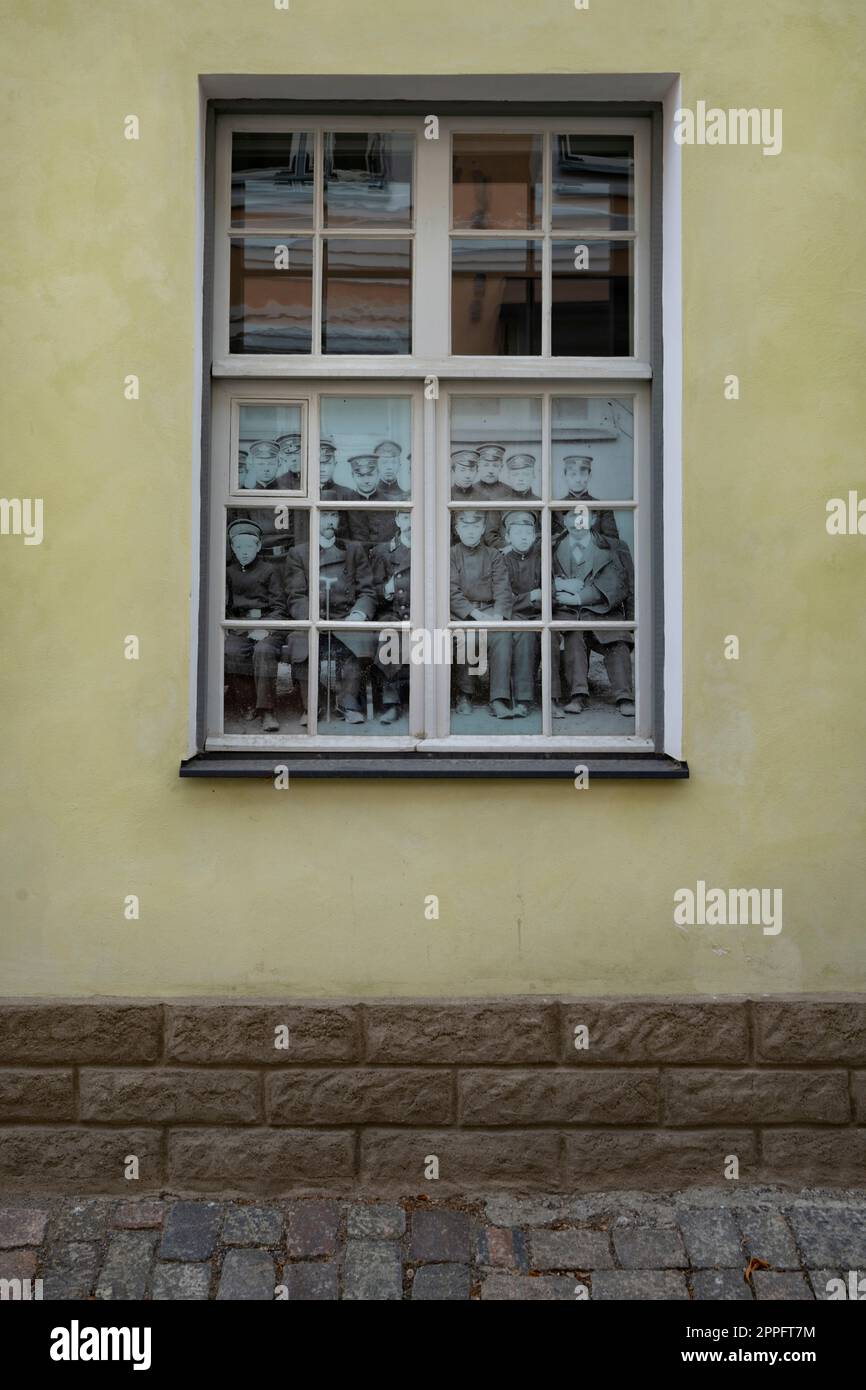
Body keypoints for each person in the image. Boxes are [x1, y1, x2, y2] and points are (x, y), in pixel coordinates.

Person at [284, 510, 377, 725]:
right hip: (314, 618)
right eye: (323, 516)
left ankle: (348, 703)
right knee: (300, 641)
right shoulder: (299, 553)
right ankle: (311, 705)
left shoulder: (354, 550)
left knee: (361, 638)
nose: (329, 521)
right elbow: (296, 595)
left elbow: (367, 591)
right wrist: (313, 618)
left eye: (333, 516)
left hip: (345, 617)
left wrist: (358, 614)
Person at [551, 511, 634, 717]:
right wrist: (558, 585)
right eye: (571, 516)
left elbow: (619, 583)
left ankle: (624, 696)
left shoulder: (614, 547)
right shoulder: (550, 546)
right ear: (563, 520)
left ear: (594, 520)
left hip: (602, 610)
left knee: (617, 640)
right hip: (566, 611)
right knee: (574, 636)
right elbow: (535, 576)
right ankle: (577, 695)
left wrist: (578, 598)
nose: (577, 522)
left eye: (583, 516)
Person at [450, 510, 514, 719]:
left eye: (475, 526)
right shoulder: (450, 554)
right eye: (465, 526)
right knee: (466, 637)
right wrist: (475, 614)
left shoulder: (493, 555)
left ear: (483, 528)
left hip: (490, 611)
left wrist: (498, 616)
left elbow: (503, 589)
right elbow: (451, 592)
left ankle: (498, 698)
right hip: (461, 613)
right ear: (457, 529)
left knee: (502, 636)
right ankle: (465, 695)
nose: (470, 531)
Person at [224, 519, 286, 733]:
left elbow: (280, 607)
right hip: (239, 626)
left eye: (249, 546)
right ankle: (247, 703)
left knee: (263, 651)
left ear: (258, 546)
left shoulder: (270, 570)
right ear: (232, 547)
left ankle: (267, 710)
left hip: (267, 626)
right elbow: (226, 607)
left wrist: (266, 628)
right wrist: (233, 628)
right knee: (231, 650)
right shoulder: (228, 573)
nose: (244, 552)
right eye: (238, 546)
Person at [499, 510, 542, 717]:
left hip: (543, 613)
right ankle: (523, 699)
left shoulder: (542, 557)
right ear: (508, 537)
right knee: (524, 633)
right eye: (517, 533)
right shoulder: (503, 560)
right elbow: (504, 598)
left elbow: (551, 591)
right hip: (517, 613)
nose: (524, 537)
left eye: (528, 532)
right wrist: (532, 595)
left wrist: (541, 598)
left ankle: (551, 698)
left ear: (535, 535)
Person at [370, 510, 411, 723]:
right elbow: (371, 590)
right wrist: (386, 589)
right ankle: (391, 702)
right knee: (389, 634)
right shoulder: (383, 552)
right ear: (397, 521)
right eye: (406, 518)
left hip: (423, 612)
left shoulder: (433, 548)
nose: (411, 523)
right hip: (393, 612)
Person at [553, 453, 619, 542]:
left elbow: (613, 542)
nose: (578, 479)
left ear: (589, 476)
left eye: (583, 474)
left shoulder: (602, 508)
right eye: (573, 474)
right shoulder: (555, 508)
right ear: (565, 476)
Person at [343, 454, 397, 546]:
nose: (366, 480)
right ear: (352, 475)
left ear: (378, 474)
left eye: (370, 474)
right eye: (360, 476)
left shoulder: (388, 502)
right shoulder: (346, 501)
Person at [319, 435, 356, 501]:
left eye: (327, 464)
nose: (321, 469)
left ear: (334, 464)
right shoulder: (302, 493)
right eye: (318, 464)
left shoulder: (348, 494)